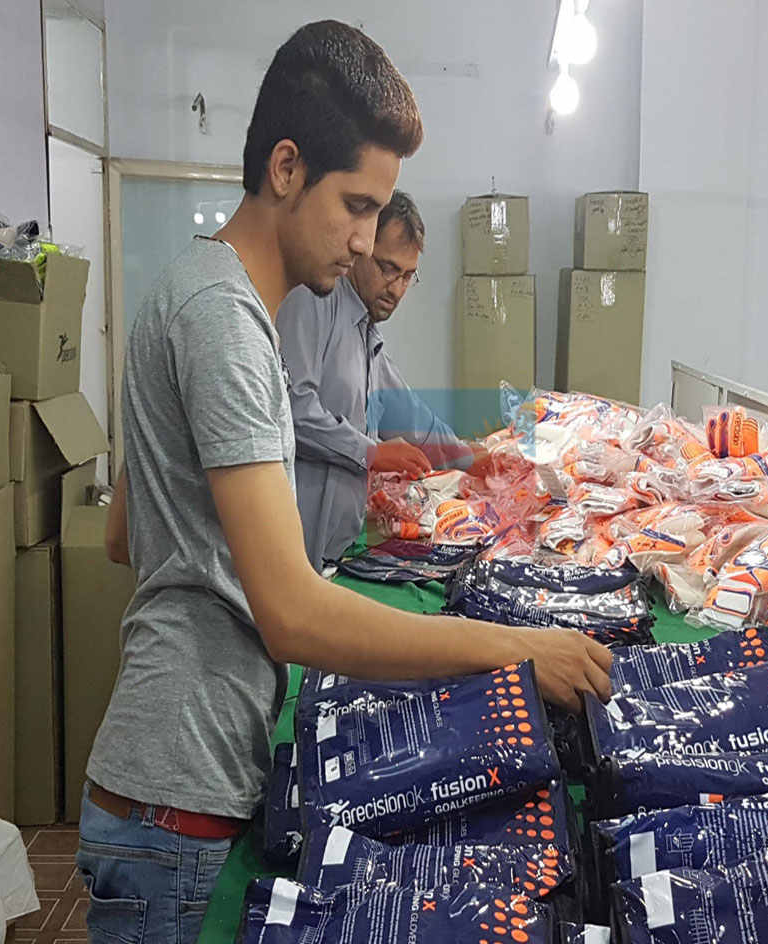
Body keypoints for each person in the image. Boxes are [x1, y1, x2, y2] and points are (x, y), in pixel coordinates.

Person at [82, 20, 612, 944]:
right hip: (176, 797)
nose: (366, 243)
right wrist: (515, 649)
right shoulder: (227, 325)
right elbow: (292, 615)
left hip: (160, 774)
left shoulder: (188, 292)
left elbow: (122, 534)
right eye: (357, 207)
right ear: (286, 168)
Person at [279, 189, 471, 571]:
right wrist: (371, 453)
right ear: (361, 247)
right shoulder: (313, 300)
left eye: (408, 276)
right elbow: (292, 408)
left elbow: (410, 416)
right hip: (295, 549)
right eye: (387, 268)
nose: (397, 289)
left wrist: (471, 456)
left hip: (336, 553)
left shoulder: (364, 331)